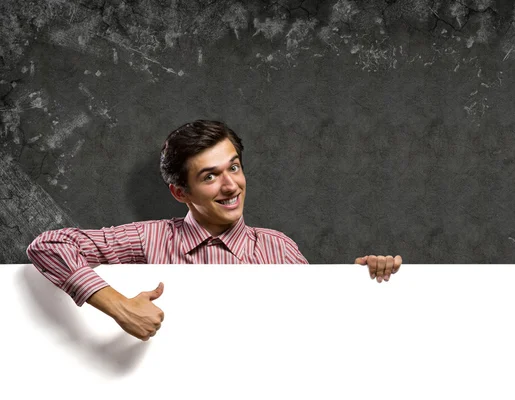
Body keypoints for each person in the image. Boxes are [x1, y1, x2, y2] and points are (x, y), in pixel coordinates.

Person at [27, 120, 403, 341]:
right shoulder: (150, 239)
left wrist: (362, 284)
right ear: (180, 192)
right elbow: (49, 245)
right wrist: (118, 306)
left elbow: (316, 329)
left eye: (234, 168)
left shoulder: (279, 249)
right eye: (210, 176)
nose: (230, 186)